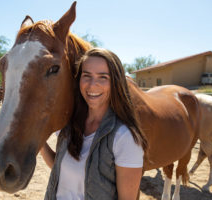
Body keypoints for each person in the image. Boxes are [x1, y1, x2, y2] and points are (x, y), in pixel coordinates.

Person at [41, 48, 148, 200]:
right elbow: (60, 168)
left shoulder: (125, 137)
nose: (92, 85)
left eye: (103, 77)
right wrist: (40, 143)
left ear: (115, 82)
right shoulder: (69, 125)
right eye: (87, 76)